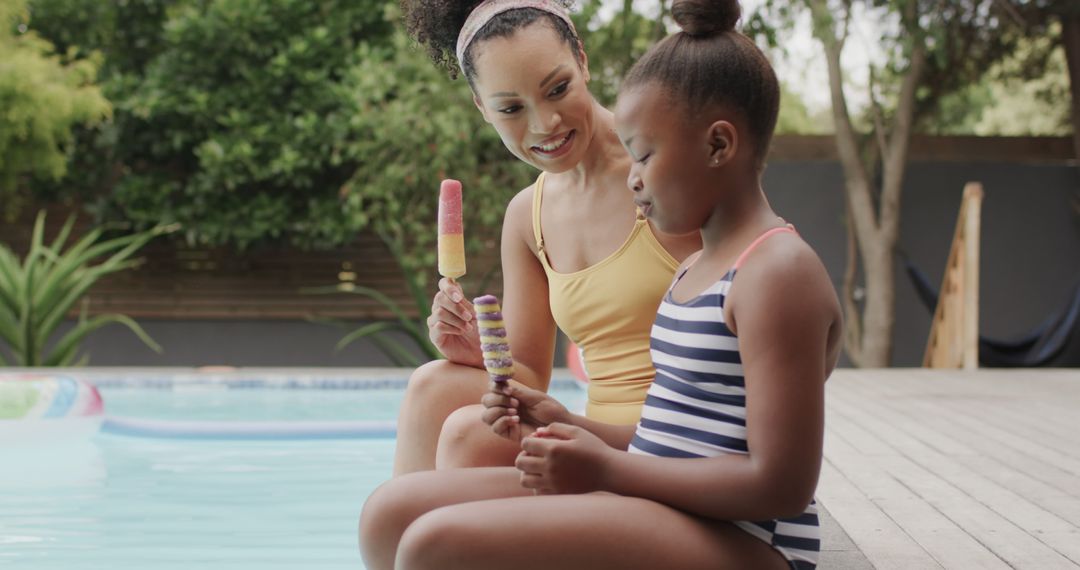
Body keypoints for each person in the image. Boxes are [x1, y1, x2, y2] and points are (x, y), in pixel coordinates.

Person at [359, 0, 844, 568]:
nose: (632, 178)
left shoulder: (770, 268)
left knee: (431, 543)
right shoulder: (698, 266)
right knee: (389, 513)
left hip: (745, 532)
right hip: (650, 474)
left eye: (643, 155)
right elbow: (674, 424)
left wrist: (608, 467)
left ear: (717, 147)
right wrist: (569, 423)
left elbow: (778, 478)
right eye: (511, 107)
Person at [393, 0, 700, 475]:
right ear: (481, 107)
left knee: (466, 439)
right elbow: (531, 377)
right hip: (595, 436)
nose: (544, 125)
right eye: (511, 108)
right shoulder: (525, 217)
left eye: (557, 89)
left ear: (582, 59)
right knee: (432, 385)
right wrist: (476, 350)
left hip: (674, 444)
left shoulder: (665, 166)